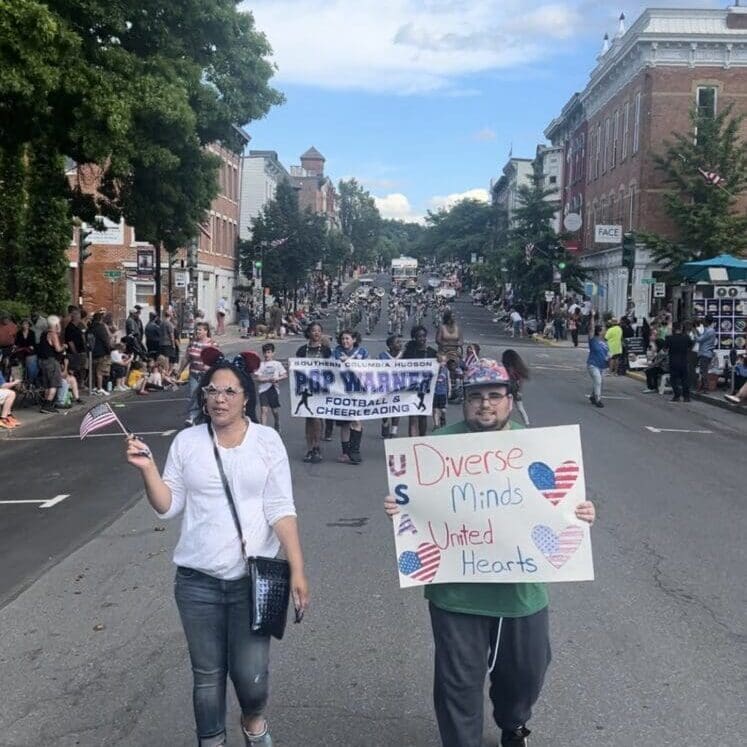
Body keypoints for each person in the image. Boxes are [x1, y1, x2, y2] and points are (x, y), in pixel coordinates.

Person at [383, 359, 596, 747]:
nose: (485, 404)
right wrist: (401, 506)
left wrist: (580, 512)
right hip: (457, 592)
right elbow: (416, 504)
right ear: (464, 402)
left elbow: (562, 506)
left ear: (509, 401)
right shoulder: (436, 446)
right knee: (457, 684)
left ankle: (513, 724)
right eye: (476, 397)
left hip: (520, 591)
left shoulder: (537, 449)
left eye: (495, 396)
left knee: (527, 673)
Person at [126, 349, 309, 747]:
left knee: (251, 677)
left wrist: (297, 568)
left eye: (230, 391)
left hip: (253, 581)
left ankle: (253, 722)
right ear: (203, 396)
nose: (219, 399)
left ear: (246, 396)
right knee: (207, 678)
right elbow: (168, 506)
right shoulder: (188, 442)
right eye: (212, 391)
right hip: (197, 584)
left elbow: (281, 508)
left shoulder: (267, 441)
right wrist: (149, 471)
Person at [296, 322, 332, 463]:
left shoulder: (326, 351)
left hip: (320, 388)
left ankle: (317, 447)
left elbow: (332, 369)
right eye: (313, 330)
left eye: (319, 331)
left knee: (317, 417)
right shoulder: (301, 350)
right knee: (308, 418)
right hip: (305, 388)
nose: (316, 333)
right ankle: (309, 448)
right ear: (309, 333)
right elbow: (296, 368)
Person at [333, 329, 368, 464]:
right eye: (343, 339)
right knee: (345, 424)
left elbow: (369, 368)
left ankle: (355, 451)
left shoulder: (362, 352)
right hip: (341, 391)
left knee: (357, 420)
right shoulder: (336, 352)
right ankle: (345, 452)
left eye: (347, 339)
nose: (345, 341)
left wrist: (350, 362)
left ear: (354, 340)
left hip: (357, 391)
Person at [178, 322, 217, 427]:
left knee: (206, 396)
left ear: (206, 331)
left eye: (200, 330)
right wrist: (179, 371)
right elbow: (187, 357)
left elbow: (217, 359)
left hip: (206, 375)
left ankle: (208, 416)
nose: (197, 332)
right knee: (193, 395)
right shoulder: (193, 343)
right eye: (197, 330)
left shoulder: (212, 344)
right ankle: (192, 417)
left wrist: (210, 367)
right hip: (194, 373)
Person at [402, 325, 438, 437]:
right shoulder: (409, 353)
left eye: (423, 336)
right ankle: (412, 441)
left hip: (426, 389)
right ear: (414, 338)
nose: (422, 338)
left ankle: (422, 439)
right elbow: (400, 367)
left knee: (423, 416)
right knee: (413, 417)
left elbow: (439, 367)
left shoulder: (432, 352)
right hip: (412, 388)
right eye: (419, 336)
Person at [254, 343, 287, 432]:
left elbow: (284, 375)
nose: (266, 354)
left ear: (273, 353)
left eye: (268, 352)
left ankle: (277, 422)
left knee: (274, 411)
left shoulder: (277, 364)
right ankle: (263, 430)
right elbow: (257, 378)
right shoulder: (261, 365)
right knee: (264, 410)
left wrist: (277, 378)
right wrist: (267, 379)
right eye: (265, 352)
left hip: (273, 389)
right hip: (263, 390)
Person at [379, 334, 403, 438]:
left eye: (400, 342)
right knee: (385, 408)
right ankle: (385, 423)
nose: (400, 344)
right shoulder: (382, 356)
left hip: (399, 386)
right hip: (385, 386)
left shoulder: (404, 355)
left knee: (396, 408)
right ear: (390, 345)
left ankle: (394, 431)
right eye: (397, 342)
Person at [664, 322, 693, 403]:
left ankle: (677, 395)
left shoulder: (669, 338)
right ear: (681, 328)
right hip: (683, 360)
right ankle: (686, 397)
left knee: (673, 379)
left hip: (673, 361)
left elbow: (665, 349)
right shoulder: (686, 337)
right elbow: (690, 346)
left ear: (673, 329)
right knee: (685, 379)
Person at [502, 349, 530, 426]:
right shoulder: (517, 367)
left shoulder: (512, 368)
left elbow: (520, 380)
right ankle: (526, 422)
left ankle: (526, 422)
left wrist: (519, 392)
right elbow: (521, 381)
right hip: (514, 389)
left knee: (513, 407)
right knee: (518, 408)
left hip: (510, 388)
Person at [90, 311, 113, 395]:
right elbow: (105, 340)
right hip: (102, 352)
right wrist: (109, 350)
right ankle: (100, 388)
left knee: (94, 371)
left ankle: (94, 387)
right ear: (101, 319)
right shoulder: (101, 327)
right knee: (100, 372)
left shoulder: (90, 327)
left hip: (92, 352)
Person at [587, 324, 609, 408]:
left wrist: (608, 359)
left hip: (602, 366)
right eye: (603, 330)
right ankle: (598, 400)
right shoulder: (593, 340)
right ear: (599, 331)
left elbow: (607, 353)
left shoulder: (605, 342)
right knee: (598, 381)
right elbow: (591, 329)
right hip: (593, 364)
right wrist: (592, 316)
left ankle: (593, 396)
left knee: (598, 382)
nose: (605, 331)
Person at [694, 316, 717, 392]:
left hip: (705, 353)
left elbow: (699, 339)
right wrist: (696, 330)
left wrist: (694, 333)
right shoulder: (708, 330)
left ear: (707, 322)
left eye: (703, 321)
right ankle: (702, 386)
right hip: (705, 353)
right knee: (702, 370)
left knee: (704, 371)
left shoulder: (709, 331)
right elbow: (701, 337)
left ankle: (705, 388)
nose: (702, 322)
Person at [14, 319, 38, 384]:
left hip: (30, 350)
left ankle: (32, 380)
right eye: (23, 324)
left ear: (28, 325)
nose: (25, 325)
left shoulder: (32, 332)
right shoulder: (19, 333)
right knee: (17, 362)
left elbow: (33, 343)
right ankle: (19, 380)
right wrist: (16, 346)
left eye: (26, 324)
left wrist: (31, 346)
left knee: (31, 361)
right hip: (22, 350)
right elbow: (16, 343)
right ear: (21, 325)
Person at [432, 353, 450, 429]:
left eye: (444, 361)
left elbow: (448, 381)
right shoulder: (433, 370)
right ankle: (436, 425)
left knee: (443, 410)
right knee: (435, 409)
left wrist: (449, 391)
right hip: (435, 392)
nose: (442, 363)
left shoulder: (446, 370)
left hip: (443, 392)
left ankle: (442, 417)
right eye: (440, 361)